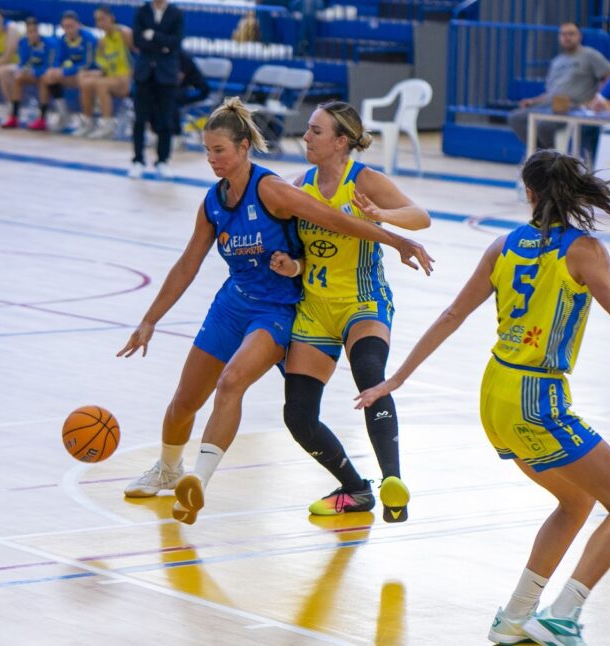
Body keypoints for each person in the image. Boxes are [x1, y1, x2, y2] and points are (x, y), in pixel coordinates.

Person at [355, 150, 610, 646]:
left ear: (531, 194)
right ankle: (563, 614)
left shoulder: (502, 246)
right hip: (538, 393)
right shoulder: (584, 250)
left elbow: (452, 315)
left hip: (495, 393)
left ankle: (515, 617)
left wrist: (396, 379)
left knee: (575, 500)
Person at [118, 97, 434, 526]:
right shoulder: (243, 196)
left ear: (244, 146)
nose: (212, 159)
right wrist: (150, 319)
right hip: (273, 305)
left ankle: (391, 481)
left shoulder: (296, 187)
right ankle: (173, 470)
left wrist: (392, 232)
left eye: (220, 151)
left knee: (349, 375)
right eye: (207, 151)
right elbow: (195, 263)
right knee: (235, 407)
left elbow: (356, 219)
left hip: (319, 305)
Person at [268, 101, 430, 524]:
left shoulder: (365, 181)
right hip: (316, 308)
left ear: (341, 142)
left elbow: (421, 217)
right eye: (308, 130)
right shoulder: (298, 186)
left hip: (363, 302)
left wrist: (383, 215)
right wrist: (294, 266)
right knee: (298, 415)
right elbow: (303, 250)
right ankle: (356, 489)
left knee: (370, 374)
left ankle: (393, 483)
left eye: (315, 131)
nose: (306, 137)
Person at [510, 23, 610, 149]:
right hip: (549, 105)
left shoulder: (590, 55)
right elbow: (550, 92)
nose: (567, 37)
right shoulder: (556, 61)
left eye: (571, 34)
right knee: (516, 118)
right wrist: (532, 101)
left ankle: (552, 158)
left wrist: (597, 99)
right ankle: (542, 153)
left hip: (573, 107)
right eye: (563, 34)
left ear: (579, 36)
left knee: (544, 124)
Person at [128, 0, 184, 180]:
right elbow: (137, 40)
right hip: (145, 73)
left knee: (166, 120)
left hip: (166, 75)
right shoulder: (142, 11)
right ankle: (138, 160)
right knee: (140, 119)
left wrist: (152, 35)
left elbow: (175, 42)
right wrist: (162, 43)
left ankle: (163, 161)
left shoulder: (176, 13)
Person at [73, 6, 133, 139]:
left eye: (102, 19)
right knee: (85, 81)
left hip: (127, 79)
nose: (100, 23)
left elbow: (139, 56)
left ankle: (108, 126)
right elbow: (104, 68)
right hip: (112, 78)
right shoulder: (102, 42)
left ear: (111, 18)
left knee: (101, 84)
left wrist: (131, 75)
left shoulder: (125, 33)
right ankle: (88, 123)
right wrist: (90, 74)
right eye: (97, 20)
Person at [41, 11, 98, 132]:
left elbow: (87, 64)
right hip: (74, 74)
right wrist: (56, 70)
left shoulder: (88, 39)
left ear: (79, 25)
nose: (68, 29)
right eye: (65, 27)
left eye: (71, 26)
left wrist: (65, 72)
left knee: (82, 79)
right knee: (49, 76)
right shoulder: (63, 39)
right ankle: (63, 115)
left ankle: (89, 122)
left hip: (92, 73)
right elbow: (57, 59)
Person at [0, 17, 57, 130]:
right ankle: (14, 116)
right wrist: (21, 70)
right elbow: (22, 62)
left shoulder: (49, 43)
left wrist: (34, 72)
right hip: (32, 73)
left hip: (45, 73)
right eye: (29, 32)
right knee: (17, 78)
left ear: (38, 31)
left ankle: (42, 119)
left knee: (44, 79)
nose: (32, 34)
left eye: (34, 31)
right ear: (26, 32)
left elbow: (50, 65)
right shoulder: (24, 42)